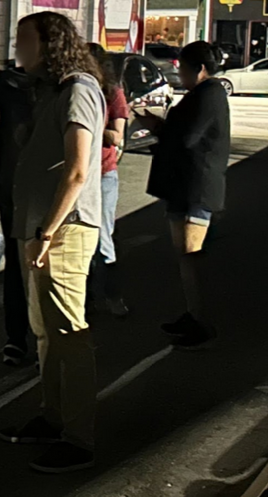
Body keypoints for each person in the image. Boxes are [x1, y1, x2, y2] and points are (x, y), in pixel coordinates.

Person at [0, 11, 105, 474]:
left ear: (52, 44)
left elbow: (78, 170)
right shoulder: (53, 92)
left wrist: (47, 233)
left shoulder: (80, 90)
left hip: (63, 230)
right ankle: (52, 416)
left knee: (69, 334)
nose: (18, 47)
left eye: (26, 39)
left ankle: (79, 438)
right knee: (44, 333)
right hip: (40, 228)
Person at [138, 41, 230, 350]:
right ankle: (194, 314)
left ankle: (202, 319)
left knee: (192, 254)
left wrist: (162, 128)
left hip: (196, 187)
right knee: (184, 255)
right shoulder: (201, 95)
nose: (179, 74)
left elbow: (188, 137)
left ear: (199, 69)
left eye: (183, 68)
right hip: (183, 186)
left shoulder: (210, 94)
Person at [0, 56, 38, 366]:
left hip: (39, 194)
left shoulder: (61, 86)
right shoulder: (6, 87)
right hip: (14, 193)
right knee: (20, 270)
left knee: (34, 270)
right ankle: (18, 338)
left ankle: (36, 339)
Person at [87, 44, 130, 317]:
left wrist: (88, 127)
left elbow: (117, 137)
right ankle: (87, 299)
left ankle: (113, 295)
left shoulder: (113, 94)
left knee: (102, 238)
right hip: (78, 173)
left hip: (102, 174)